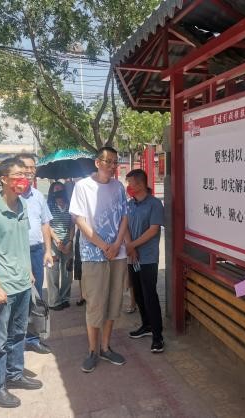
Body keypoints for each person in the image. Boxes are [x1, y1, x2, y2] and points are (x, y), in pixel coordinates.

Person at [0, 157, 43, 408]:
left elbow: (21, 242)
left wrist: (28, 271)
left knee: (18, 334)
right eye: (18, 175)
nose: (24, 179)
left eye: (26, 175)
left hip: (22, 283)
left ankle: (14, 375)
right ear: (3, 179)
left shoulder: (22, 205)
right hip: (1, 287)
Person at [69, 146, 129, 373]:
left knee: (114, 302)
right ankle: (92, 350)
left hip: (117, 254)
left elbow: (124, 217)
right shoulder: (82, 186)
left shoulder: (118, 187)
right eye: (108, 161)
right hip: (94, 254)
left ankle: (106, 347)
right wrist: (104, 246)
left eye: (115, 162)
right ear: (97, 162)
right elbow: (79, 220)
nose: (112, 166)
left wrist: (117, 244)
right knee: (95, 304)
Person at [16, 153, 54, 354]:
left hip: (36, 251)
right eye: (26, 167)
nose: (30, 171)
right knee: (17, 295)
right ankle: (16, 338)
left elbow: (45, 224)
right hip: (15, 254)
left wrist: (48, 250)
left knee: (36, 295)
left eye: (33, 167)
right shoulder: (7, 196)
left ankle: (32, 338)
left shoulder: (38, 196)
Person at [124, 169, 165, 353]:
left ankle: (158, 337)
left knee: (150, 296)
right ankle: (146, 325)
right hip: (132, 257)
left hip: (148, 258)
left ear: (140, 184)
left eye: (130, 183)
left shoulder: (154, 204)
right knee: (139, 294)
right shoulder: (129, 204)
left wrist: (132, 245)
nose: (128, 187)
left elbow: (153, 230)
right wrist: (130, 247)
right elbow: (124, 226)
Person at [46, 180, 75, 310]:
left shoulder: (70, 206)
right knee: (53, 272)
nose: (59, 191)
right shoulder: (49, 207)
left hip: (68, 242)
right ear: (52, 192)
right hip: (53, 243)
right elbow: (47, 226)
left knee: (68, 271)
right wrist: (57, 241)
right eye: (56, 189)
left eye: (61, 189)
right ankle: (54, 301)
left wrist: (70, 242)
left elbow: (72, 225)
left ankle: (65, 298)